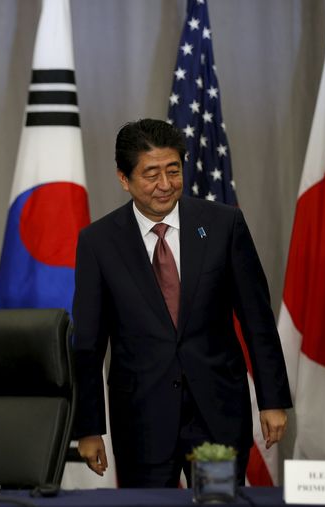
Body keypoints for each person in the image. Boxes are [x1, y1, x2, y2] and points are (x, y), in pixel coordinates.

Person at [73, 119, 292, 487]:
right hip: (142, 419)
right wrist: (90, 428)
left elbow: (257, 321)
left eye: (173, 171)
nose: (165, 185)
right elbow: (88, 345)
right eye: (151, 174)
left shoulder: (223, 225)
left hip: (216, 415)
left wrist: (272, 400)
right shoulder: (98, 243)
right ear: (124, 179)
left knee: (217, 501)